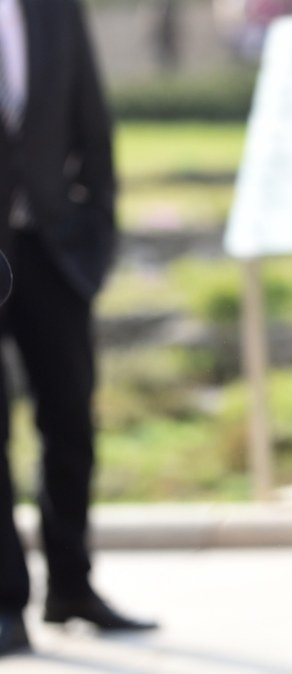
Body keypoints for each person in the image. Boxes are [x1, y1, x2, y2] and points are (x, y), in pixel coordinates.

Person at [0, 0, 158, 656]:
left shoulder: (55, 8)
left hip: (53, 249)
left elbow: (91, 117)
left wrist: (98, 230)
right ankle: (5, 603)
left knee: (69, 419)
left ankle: (72, 585)